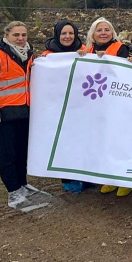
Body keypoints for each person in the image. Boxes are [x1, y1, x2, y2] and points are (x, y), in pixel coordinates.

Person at [0, 21, 51, 210]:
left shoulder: (29, 54)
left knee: (22, 152)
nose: (20, 38)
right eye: (16, 35)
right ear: (6, 35)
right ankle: (13, 191)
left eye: (23, 35)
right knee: (6, 154)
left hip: (24, 113)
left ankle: (22, 184)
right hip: (3, 115)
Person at [81, 18, 132, 196]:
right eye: (99, 30)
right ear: (93, 34)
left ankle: (125, 178)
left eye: (107, 30)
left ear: (112, 33)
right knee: (103, 141)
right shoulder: (86, 51)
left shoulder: (121, 48)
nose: (103, 33)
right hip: (96, 104)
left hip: (117, 101)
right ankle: (110, 177)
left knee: (120, 140)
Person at [41, 20, 88, 193]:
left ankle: (86, 176)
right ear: (57, 35)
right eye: (63, 33)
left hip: (82, 105)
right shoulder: (47, 55)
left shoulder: (85, 51)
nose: (67, 37)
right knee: (64, 143)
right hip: (59, 106)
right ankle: (67, 178)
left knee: (83, 141)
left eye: (71, 33)